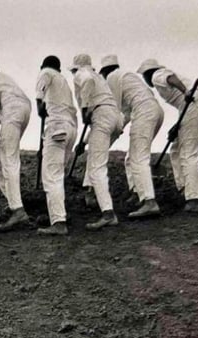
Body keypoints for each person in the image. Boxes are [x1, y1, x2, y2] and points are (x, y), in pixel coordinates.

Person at [138, 58, 198, 212]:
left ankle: (193, 198)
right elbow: (183, 104)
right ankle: (185, 188)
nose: (146, 80)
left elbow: (170, 78)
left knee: (188, 152)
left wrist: (186, 92)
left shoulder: (156, 75)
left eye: (144, 76)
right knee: (176, 149)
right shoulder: (160, 78)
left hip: (193, 103)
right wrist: (177, 125)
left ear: (147, 73)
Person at [98, 54, 163, 219]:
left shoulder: (112, 78)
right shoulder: (127, 77)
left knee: (139, 158)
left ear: (105, 72)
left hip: (144, 112)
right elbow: (125, 114)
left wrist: (104, 139)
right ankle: (138, 193)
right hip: (155, 110)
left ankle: (149, 201)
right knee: (130, 158)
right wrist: (119, 129)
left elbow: (115, 113)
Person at [70, 53, 121, 230]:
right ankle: (90, 192)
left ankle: (108, 214)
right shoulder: (98, 77)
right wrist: (84, 142)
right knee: (95, 157)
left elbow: (87, 83)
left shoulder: (83, 74)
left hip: (102, 115)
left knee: (97, 167)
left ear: (76, 68)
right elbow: (102, 118)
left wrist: (85, 109)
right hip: (115, 117)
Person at [0, 62, 31, 231]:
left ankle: (17, 210)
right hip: (24, 108)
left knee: (8, 158)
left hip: (12, 110)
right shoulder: (4, 77)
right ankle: (13, 202)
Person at [34, 56, 77, 237]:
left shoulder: (45, 72)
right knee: (57, 174)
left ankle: (59, 222)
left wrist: (39, 107)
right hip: (71, 128)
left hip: (57, 127)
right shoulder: (63, 80)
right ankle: (57, 215)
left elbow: (39, 93)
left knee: (52, 177)